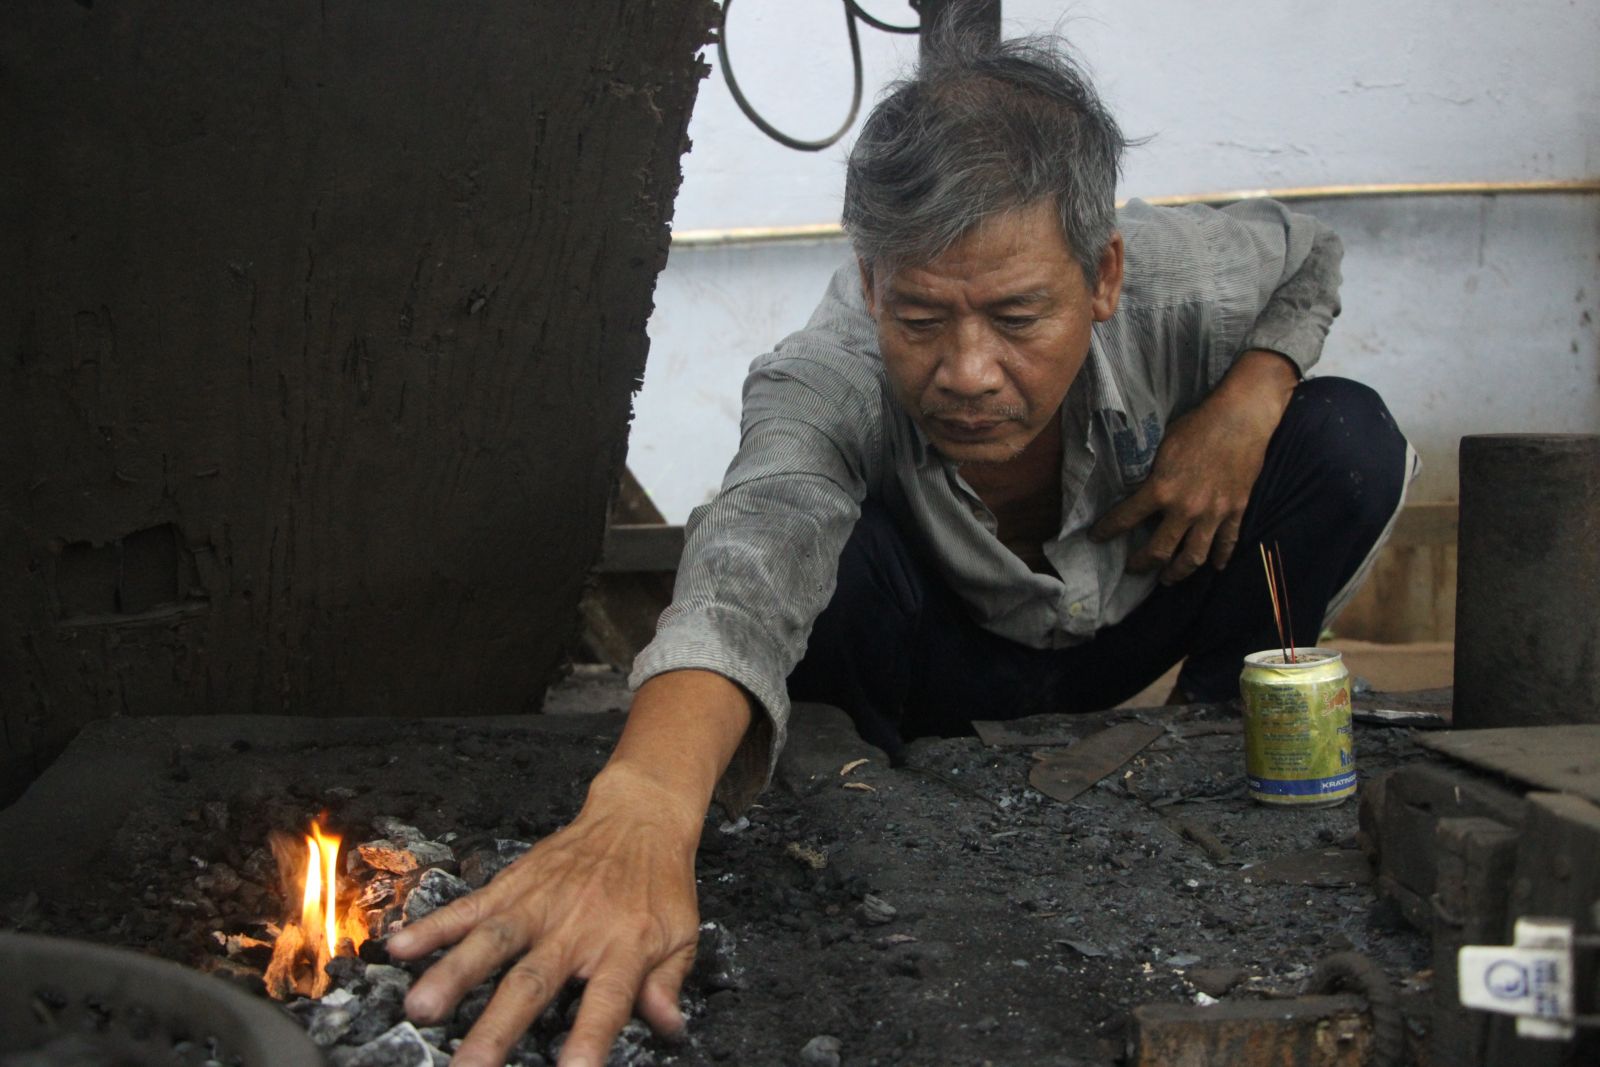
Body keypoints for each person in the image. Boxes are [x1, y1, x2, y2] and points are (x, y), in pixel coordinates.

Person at [388, 33, 1415, 1067]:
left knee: (1345, 439)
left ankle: (1199, 748)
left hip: (1129, 611)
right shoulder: (825, 372)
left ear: (1102, 274)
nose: (967, 370)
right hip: (939, 670)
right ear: (874, 287)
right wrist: (642, 805)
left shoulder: (1179, 280)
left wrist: (1254, 389)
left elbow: (1307, 253)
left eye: (1018, 316)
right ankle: (893, 814)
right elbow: (752, 548)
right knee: (827, 560)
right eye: (921, 315)